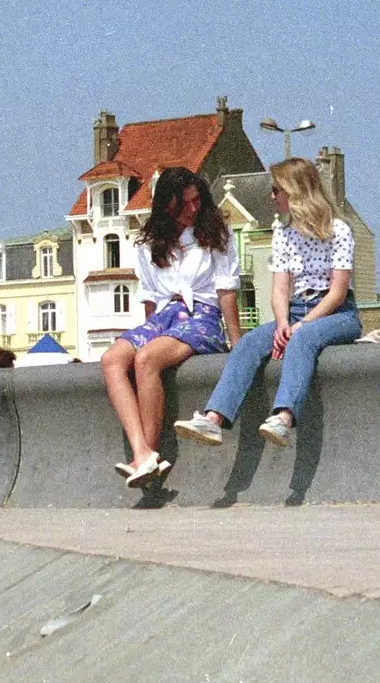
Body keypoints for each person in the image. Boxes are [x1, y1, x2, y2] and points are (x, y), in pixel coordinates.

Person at [175, 158, 363, 450]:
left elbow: (337, 292)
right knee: (250, 343)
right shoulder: (284, 234)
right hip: (296, 310)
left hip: (337, 313)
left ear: (296, 191)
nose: (272, 196)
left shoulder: (338, 230)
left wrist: (302, 325)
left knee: (303, 339)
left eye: (277, 190)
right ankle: (214, 419)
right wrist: (283, 323)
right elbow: (279, 289)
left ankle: (284, 418)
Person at [99, 167, 242, 487]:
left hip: (201, 316)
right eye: (186, 203)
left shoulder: (217, 235)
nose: (195, 209)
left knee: (148, 359)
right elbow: (150, 301)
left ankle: (147, 454)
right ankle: (143, 452)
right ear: (168, 204)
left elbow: (226, 291)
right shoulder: (148, 243)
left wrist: (237, 341)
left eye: (197, 201)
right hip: (164, 316)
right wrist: (147, 334)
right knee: (111, 360)